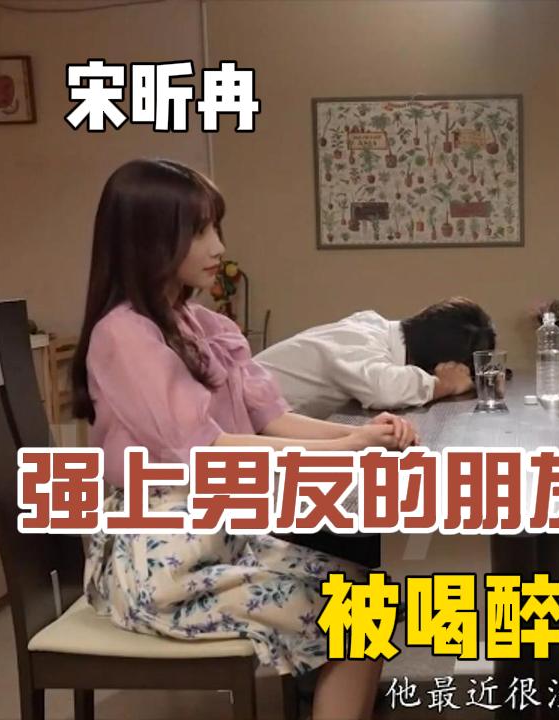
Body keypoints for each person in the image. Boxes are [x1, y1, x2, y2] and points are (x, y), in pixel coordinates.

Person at [72, 158, 416, 720]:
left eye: (216, 228)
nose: (218, 247)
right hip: (162, 559)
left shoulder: (205, 325)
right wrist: (345, 449)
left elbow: (270, 418)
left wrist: (362, 432)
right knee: (359, 612)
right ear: (149, 238)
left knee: (368, 600)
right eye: (199, 231)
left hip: (219, 531)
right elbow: (206, 448)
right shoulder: (123, 335)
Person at [254, 299, 495, 419]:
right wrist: (445, 384)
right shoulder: (361, 341)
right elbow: (383, 390)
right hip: (239, 428)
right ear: (439, 365)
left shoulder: (377, 329)